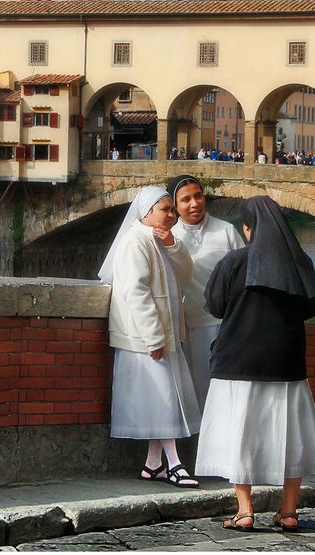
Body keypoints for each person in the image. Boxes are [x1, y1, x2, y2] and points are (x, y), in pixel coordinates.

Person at [195, 196, 315, 532]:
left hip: (237, 362)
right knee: (291, 437)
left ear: (247, 228)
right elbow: (310, 308)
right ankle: (288, 511)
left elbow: (214, 305)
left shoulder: (234, 262)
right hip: (286, 363)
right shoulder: (301, 263)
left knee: (240, 435)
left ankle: (245, 510)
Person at [98, 186, 202, 488]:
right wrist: (153, 337)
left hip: (163, 334)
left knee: (165, 396)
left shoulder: (159, 239)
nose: (171, 215)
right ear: (147, 213)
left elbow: (185, 276)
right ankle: (174, 462)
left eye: (172, 210)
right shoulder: (134, 243)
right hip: (145, 338)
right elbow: (136, 292)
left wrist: (173, 246)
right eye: (165, 209)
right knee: (164, 399)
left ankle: (153, 463)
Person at [166, 175, 244, 412]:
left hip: (226, 324)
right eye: (186, 199)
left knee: (228, 390)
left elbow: (244, 275)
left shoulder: (227, 231)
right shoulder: (169, 237)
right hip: (188, 326)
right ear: (175, 205)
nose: (194, 204)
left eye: (198, 196)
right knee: (197, 390)